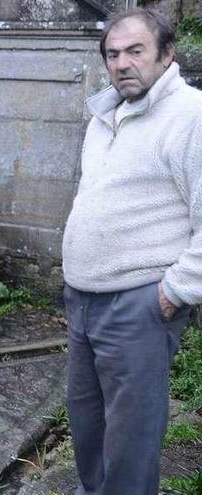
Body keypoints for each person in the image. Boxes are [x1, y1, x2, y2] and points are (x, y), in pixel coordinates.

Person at [61, 8, 202, 494]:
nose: (122, 63)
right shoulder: (105, 116)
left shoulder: (192, 116)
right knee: (87, 425)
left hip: (139, 304)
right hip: (82, 301)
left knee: (130, 441)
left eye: (135, 51)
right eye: (113, 54)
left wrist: (174, 292)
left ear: (167, 53)